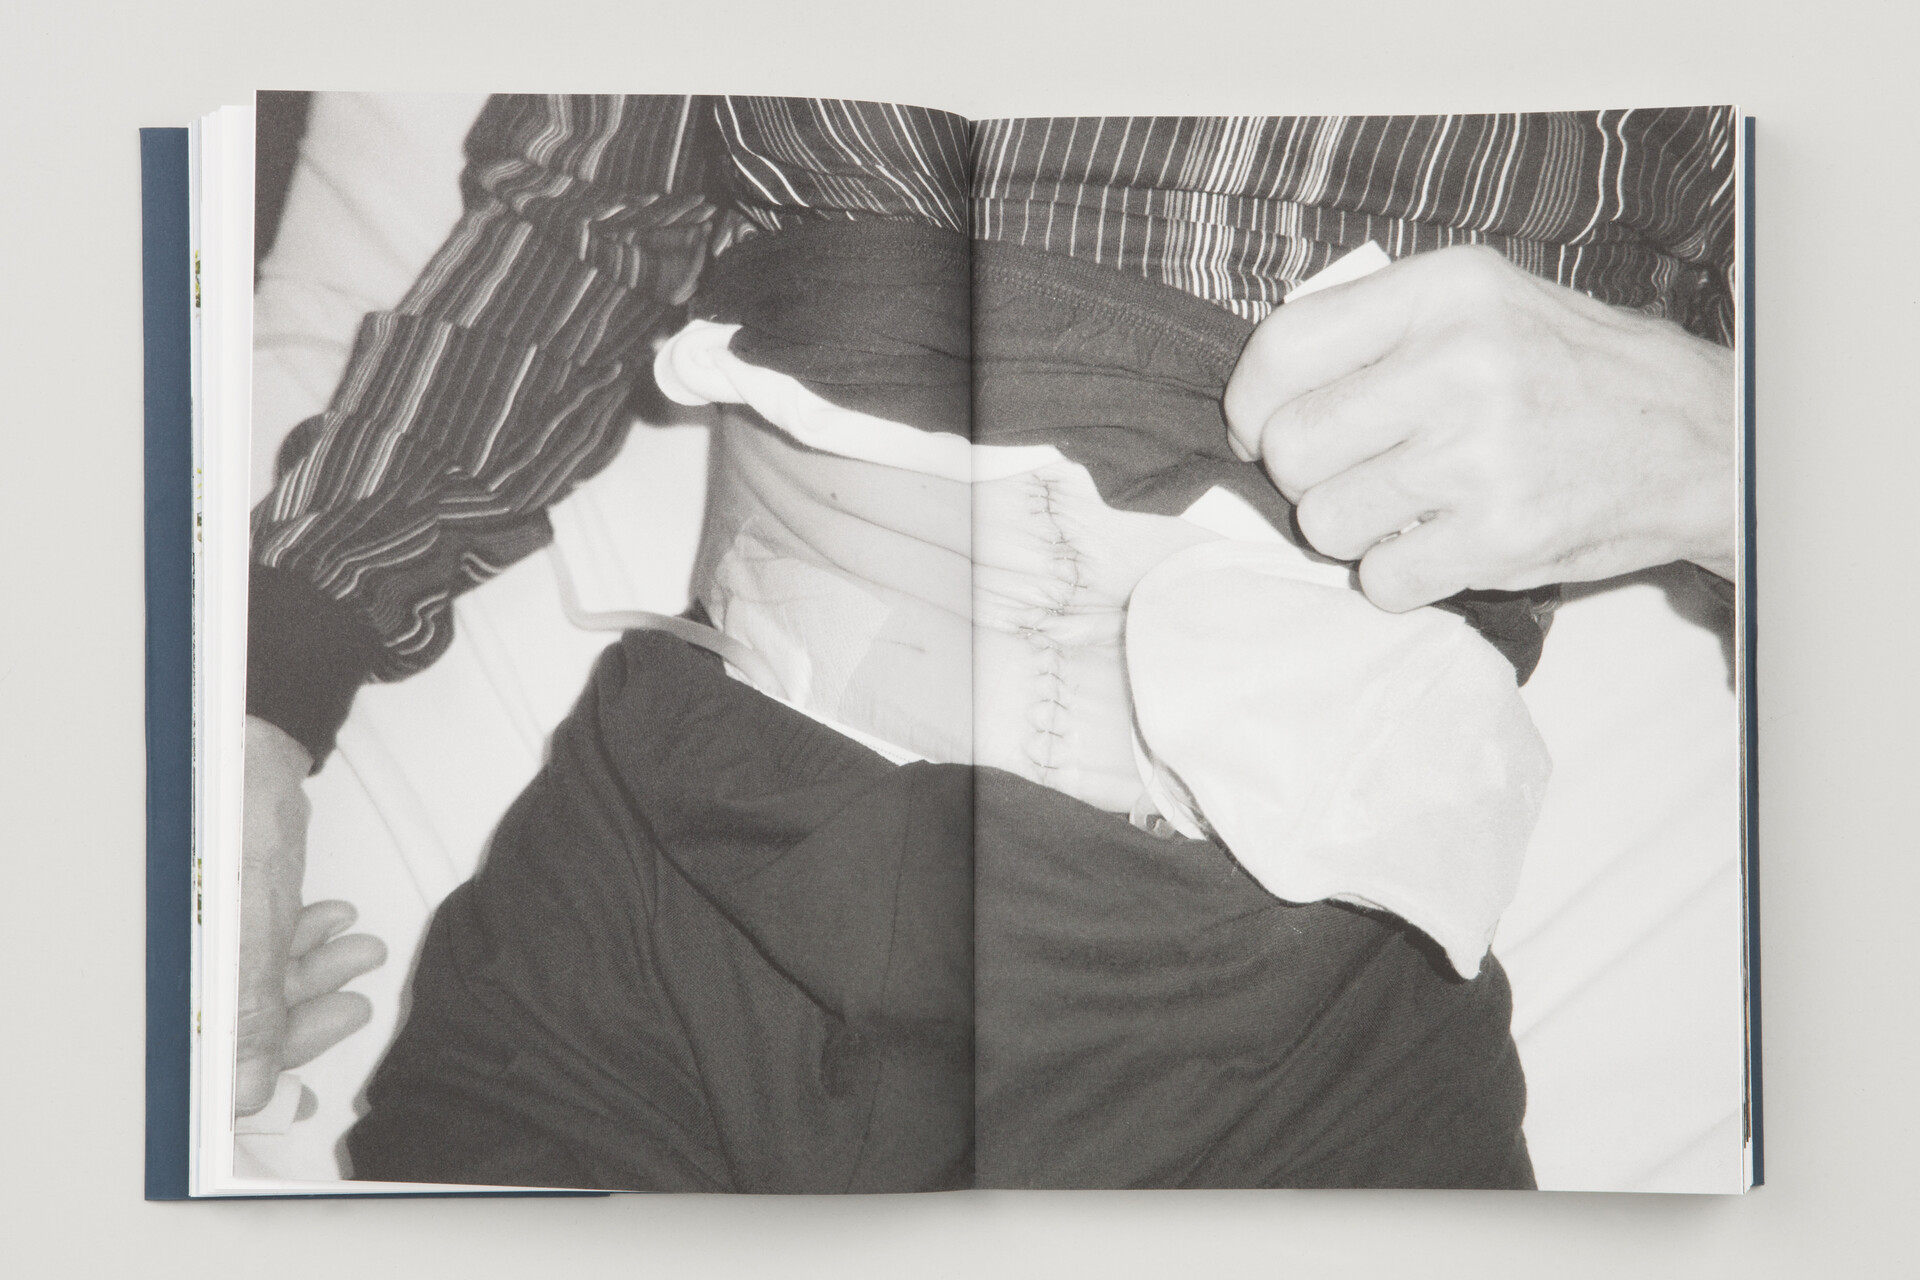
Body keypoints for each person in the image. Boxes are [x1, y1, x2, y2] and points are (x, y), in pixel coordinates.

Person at [239, 97, 1737, 1189]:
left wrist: (1734, 453)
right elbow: (571, 232)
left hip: (1291, 1002)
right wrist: (256, 707)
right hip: (670, 881)